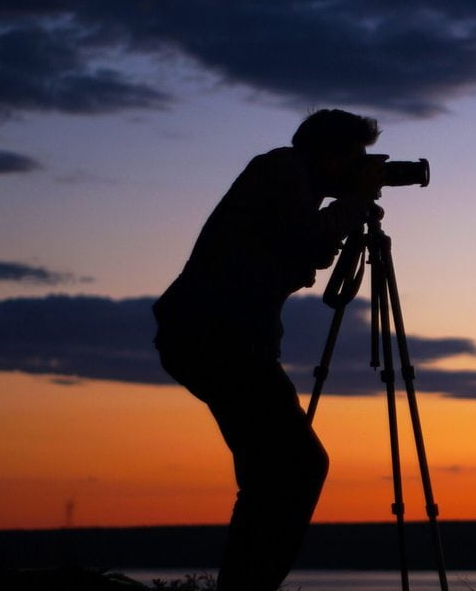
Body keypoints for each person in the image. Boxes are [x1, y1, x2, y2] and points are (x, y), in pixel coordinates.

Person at [153, 109, 384, 591]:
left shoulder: (292, 182)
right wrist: (357, 201)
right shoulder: (280, 171)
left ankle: (243, 587)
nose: (361, 168)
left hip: (224, 341)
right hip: (217, 340)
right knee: (297, 466)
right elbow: (307, 244)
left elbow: (302, 252)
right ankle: (245, 589)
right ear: (330, 154)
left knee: (274, 472)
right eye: (355, 159)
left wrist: (351, 206)